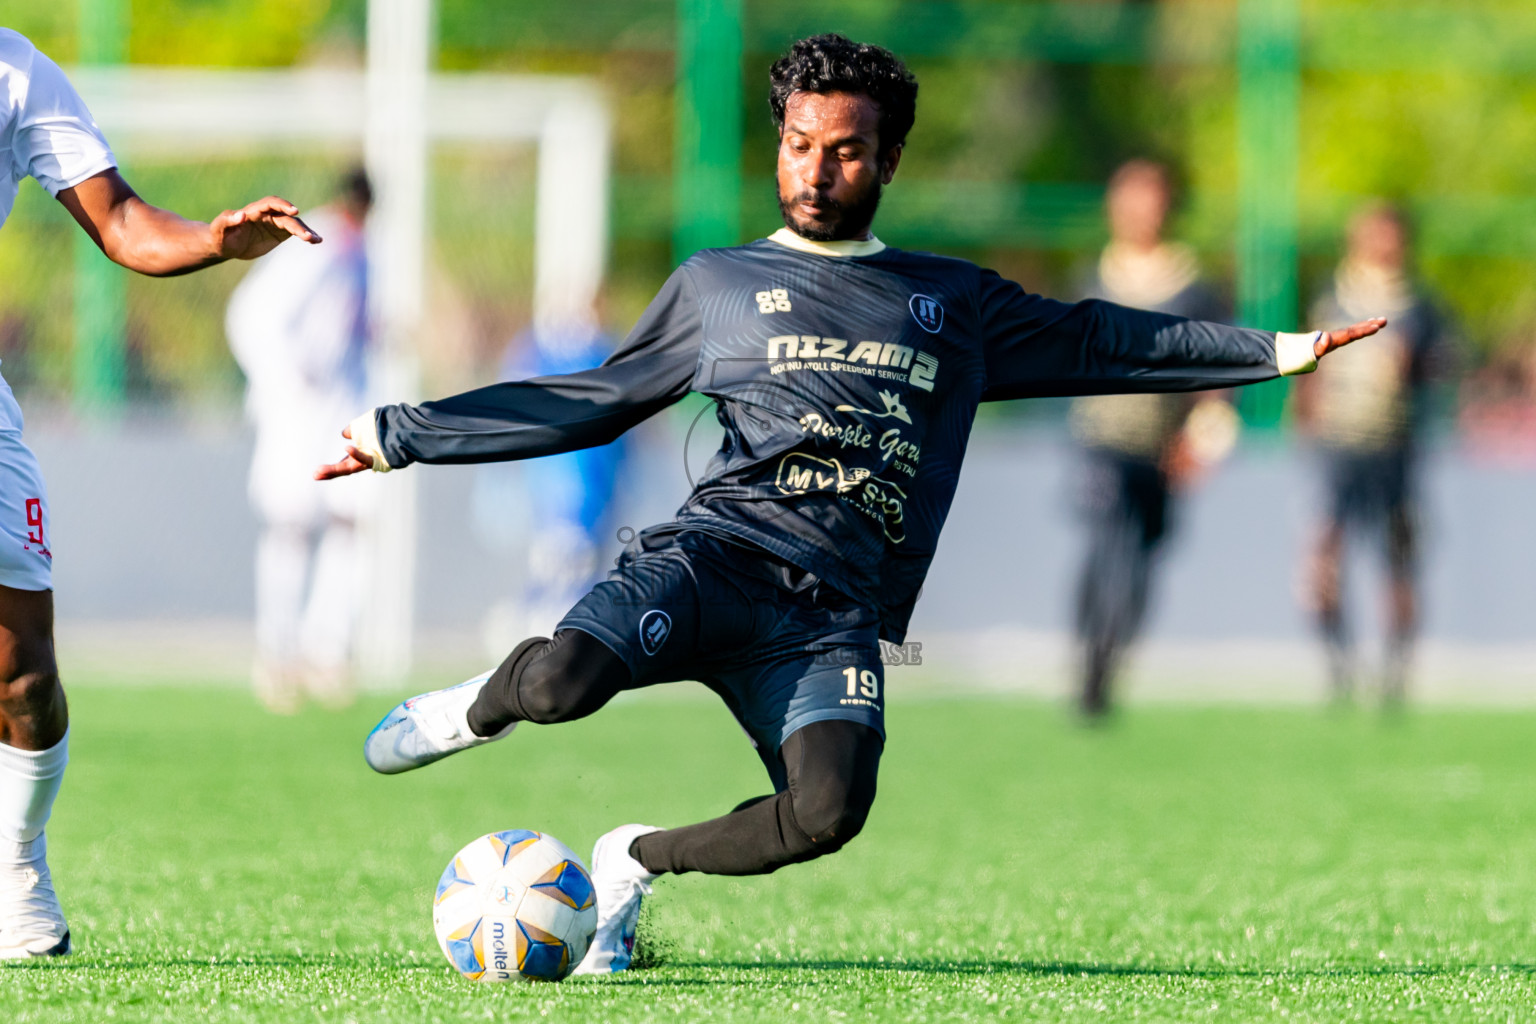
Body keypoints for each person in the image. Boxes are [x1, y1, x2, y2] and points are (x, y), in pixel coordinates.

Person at [317, 34, 1383, 975]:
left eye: (845, 150)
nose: (816, 171)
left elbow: (1109, 338)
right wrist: (400, 434)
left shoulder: (952, 304)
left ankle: (631, 859)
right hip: (712, 562)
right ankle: (473, 708)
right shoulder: (718, 285)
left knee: (826, 814)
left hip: (830, 612)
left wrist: (1278, 352)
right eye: (798, 144)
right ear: (777, 141)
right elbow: (593, 399)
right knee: (558, 684)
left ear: (887, 160)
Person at [0, 29, 317, 959]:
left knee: (23, 673)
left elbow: (124, 223)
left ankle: (15, 867)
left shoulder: (16, 71)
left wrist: (217, 241)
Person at [1068, 159, 1238, 716]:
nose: (1141, 210)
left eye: (1153, 198)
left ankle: (1113, 662)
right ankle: (1087, 664)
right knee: (1099, 544)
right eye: (1130, 197)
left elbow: (1218, 376)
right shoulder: (1090, 278)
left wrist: (1202, 442)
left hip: (1159, 449)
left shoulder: (1194, 288)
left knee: (1141, 559)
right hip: (1100, 440)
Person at [1294, 201, 1452, 706]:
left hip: (1393, 452)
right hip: (1338, 451)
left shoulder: (1422, 306)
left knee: (1398, 565)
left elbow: (1444, 372)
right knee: (1323, 559)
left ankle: (1394, 674)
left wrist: (1414, 369)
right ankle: (1339, 665)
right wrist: (1308, 424)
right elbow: (1304, 369)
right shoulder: (1330, 296)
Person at [226, 169, 373, 712]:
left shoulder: (363, 253)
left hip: (340, 413)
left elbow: (348, 331)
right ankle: (277, 655)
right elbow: (252, 317)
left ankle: (326, 652)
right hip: (295, 413)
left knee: (351, 523)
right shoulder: (314, 244)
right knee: (290, 526)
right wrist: (287, 382)